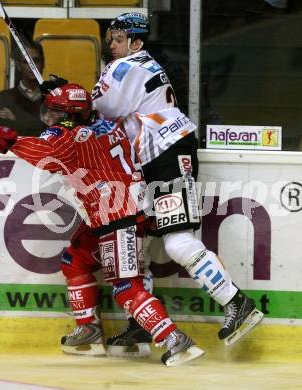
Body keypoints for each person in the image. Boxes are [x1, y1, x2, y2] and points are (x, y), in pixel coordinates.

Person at [0, 82, 205, 367]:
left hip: (119, 217)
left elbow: (47, 153)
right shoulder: (105, 122)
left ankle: (174, 339)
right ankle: (89, 331)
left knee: (126, 285)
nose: (48, 117)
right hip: (116, 211)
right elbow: (62, 134)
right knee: (75, 260)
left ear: (70, 115)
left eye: (54, 112)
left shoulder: (73, 138)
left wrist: (7, 140)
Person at [92, 12, 264, 353]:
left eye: (119, 39)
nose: (112, 44)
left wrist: (61, 98)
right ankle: (141, 324)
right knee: (138, 243)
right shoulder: (142, 65)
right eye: (110, 38)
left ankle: (235, 302)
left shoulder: (126, 67)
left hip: (166, 154)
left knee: (176, 242)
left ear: (137, 43)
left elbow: (100, 109)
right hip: (155, 158)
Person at [0, 41, 46, 136]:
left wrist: (17, 120)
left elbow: (53, 129)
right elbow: (0, 130)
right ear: (18, 66)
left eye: (36, 61)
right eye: (26, 62)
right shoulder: (4, 97)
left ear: (43, 64)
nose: (32, 66)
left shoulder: (54, 97)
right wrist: (38, 123)